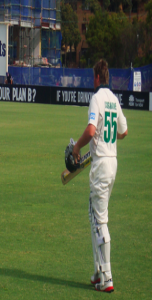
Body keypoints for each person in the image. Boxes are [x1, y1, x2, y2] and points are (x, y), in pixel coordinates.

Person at [72, 59, 128, 293]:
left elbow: (91, 129)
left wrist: (77, 149)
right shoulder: (114, 100)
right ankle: (98, 271)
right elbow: (123, 132)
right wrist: (107, 139)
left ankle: (106, 277)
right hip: (112, 162)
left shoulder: (96, 98)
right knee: (94, 215)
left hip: (101, 165)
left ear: (96, 77)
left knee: (100, 221)